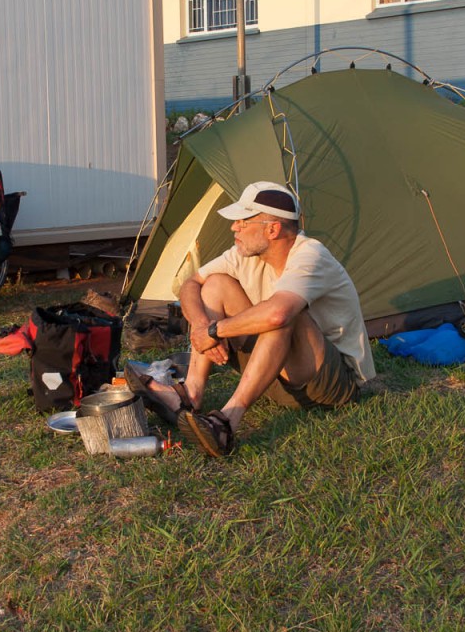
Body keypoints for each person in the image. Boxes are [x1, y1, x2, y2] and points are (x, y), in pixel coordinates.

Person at [132, 181, 375, 456]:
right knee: (215, 284)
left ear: (272, 229)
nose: (234, 227)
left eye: (243, 221)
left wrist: (214, 331)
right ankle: (191, 393)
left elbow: (278, 313)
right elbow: (191, 283)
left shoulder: (311, 255)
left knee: (280, 313)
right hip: (279, 374)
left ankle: (226, 421)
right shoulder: (243, 254)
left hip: (329, 384)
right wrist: (201, 326)